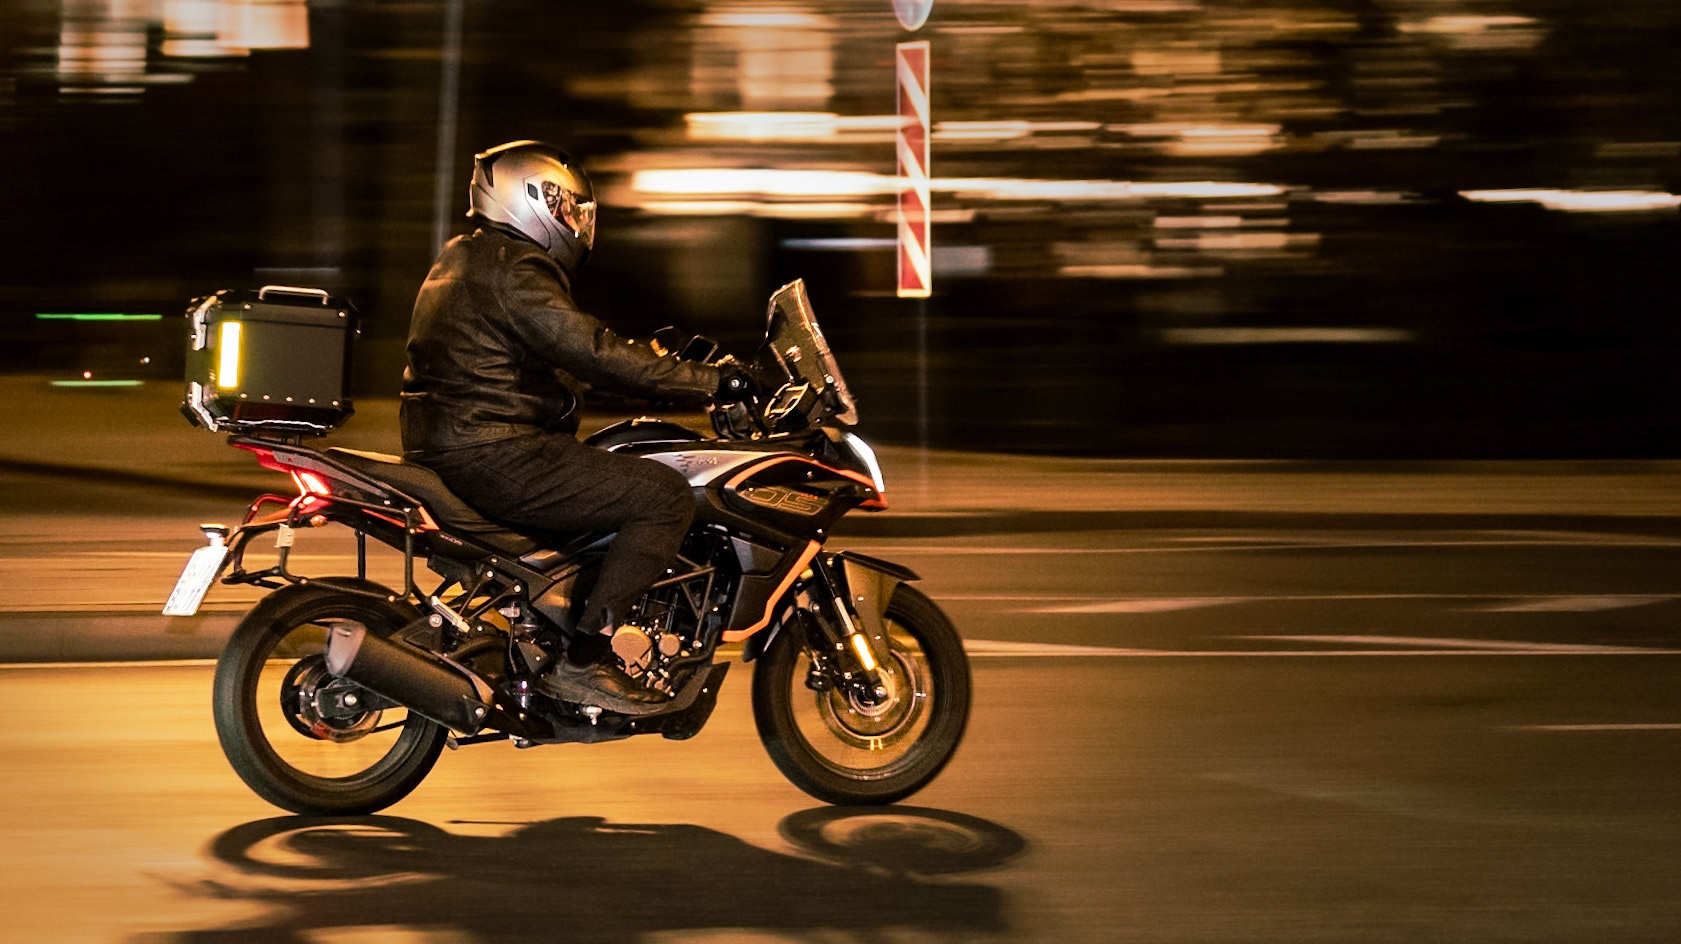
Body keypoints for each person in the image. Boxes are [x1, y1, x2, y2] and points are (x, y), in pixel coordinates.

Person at [400, 140, 755, 714]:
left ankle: (561, 621)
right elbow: (590, 350)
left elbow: (563, 356)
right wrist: (714, 383)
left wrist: (651, 366)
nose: (576, 224)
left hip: (460, 443)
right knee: (665, 495)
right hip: (496, 451)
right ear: (532, 201)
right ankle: (585, 663)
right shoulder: (515, 269)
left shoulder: (468, 257)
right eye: (568, 209)